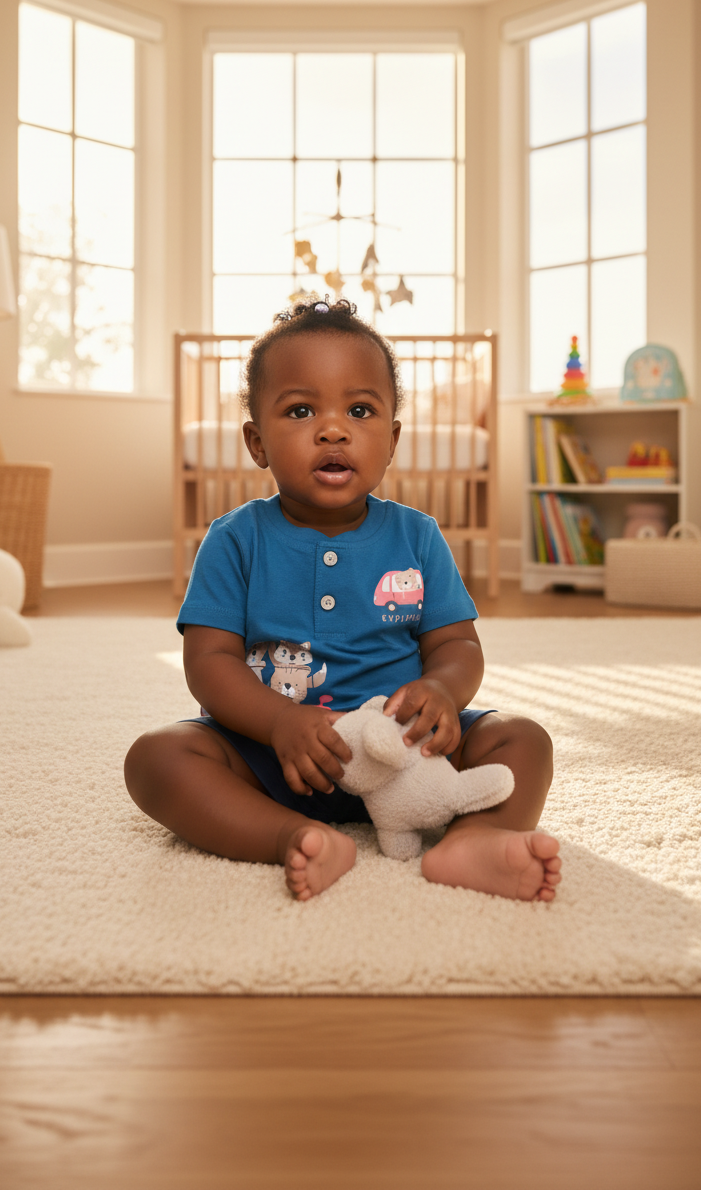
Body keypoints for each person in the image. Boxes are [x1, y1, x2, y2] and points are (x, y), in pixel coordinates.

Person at [125, 299, 561, 903]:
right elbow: (208, 664)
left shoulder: (418, 536)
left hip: (408, 755)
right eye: (301, 410)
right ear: (257, 442)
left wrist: (442, 693)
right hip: (276, 755)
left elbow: (457, 644)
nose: (333, 429)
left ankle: (473, 841)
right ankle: (291, 835)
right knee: (157, 758)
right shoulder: (233, 540)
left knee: (524, 739)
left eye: (360, 410)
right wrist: (279, 723)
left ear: (392, 440)